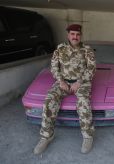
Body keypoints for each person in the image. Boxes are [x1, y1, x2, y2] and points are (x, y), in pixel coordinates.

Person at [33, 24, 96, 154]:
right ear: (68, 35)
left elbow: (91, 68)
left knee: (84, 102)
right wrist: (60, 81)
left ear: (80, 36)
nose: (75, 37)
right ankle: (46, 136)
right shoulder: (60, 49)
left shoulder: (87, 49)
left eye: (78, 34)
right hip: (63, 82)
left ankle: (88, 136)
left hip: (82, 82)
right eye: (72, 34)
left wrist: (79, 81)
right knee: (49, 100)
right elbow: (54, 66)